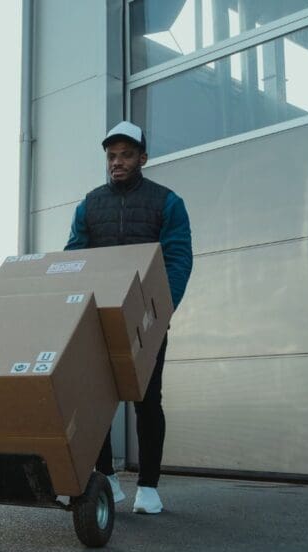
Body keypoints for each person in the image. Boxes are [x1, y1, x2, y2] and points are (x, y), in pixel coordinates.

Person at [65, 121, 193, 515]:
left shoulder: (167, 202)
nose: (117, 162)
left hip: (147, 322)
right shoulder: (90, 204)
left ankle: (149, 488)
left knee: (147, 400)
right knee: (96, 401)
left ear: (142, 158)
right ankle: (106, 479)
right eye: (111, 156)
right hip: (97, 319)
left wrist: (160, 310)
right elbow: (74, 256)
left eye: (125, 155)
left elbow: (177, 259)